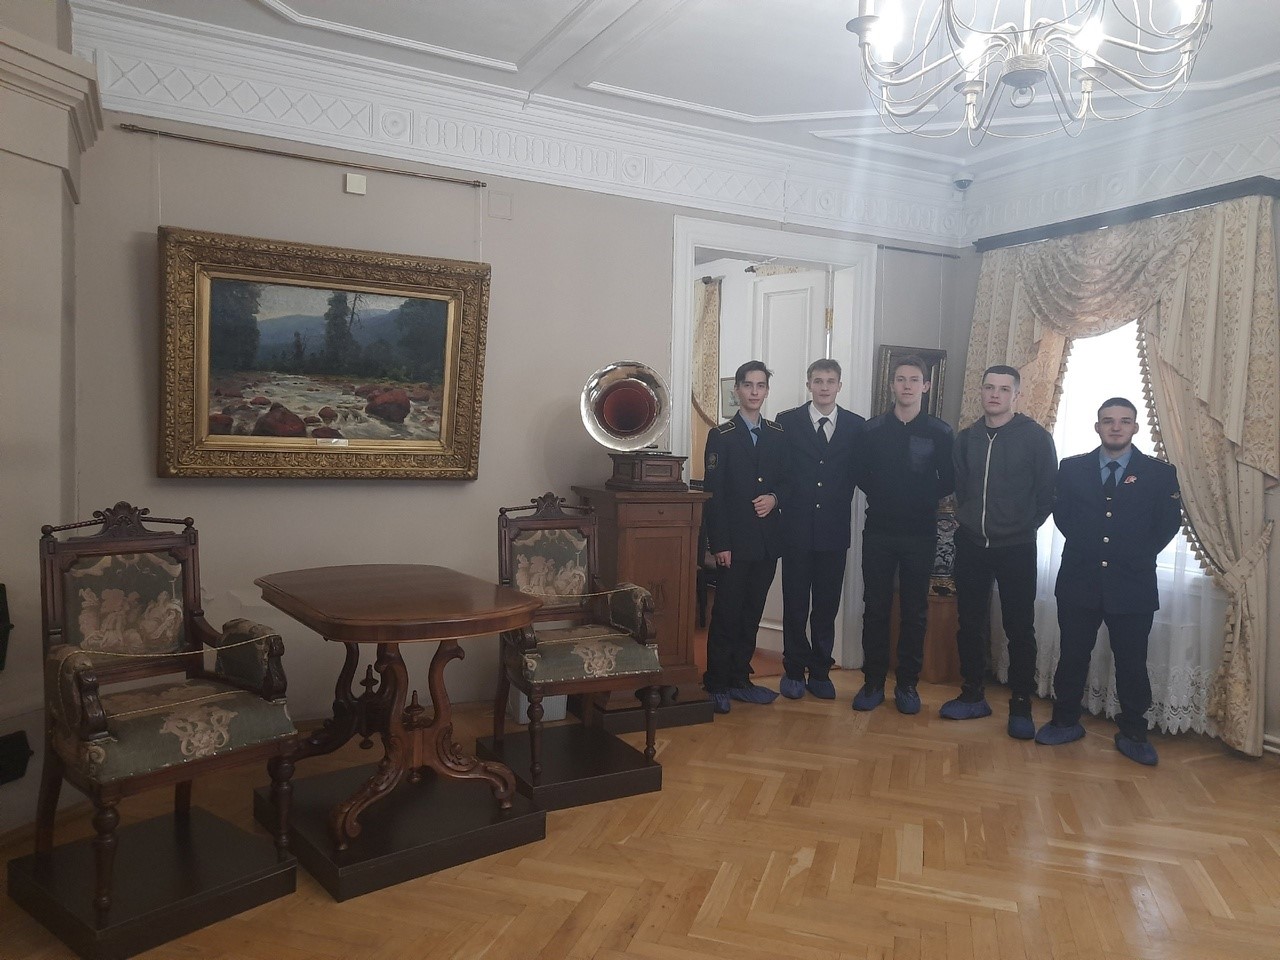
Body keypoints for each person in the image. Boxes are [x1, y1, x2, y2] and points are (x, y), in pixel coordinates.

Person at [1035, 398, 1183, 765]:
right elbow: (1063, 515)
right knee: (1072, 655)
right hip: (1079, 579)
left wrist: (1133, 553)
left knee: (1131, 662)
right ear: (1097, 426)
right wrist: (1092, 547)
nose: (1116, 427)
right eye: (1108, 421)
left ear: (1135, 427)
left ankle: (1133, 731)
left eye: (1124, 421)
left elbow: (1168, 523)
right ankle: (1065, 720)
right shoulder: (1072, 468)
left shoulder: (1159, 473)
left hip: (1133, 582)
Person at [942, 364, 1056, 739]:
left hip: (1017, 547)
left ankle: (1021, 704)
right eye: (989, 387)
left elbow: (1047, 494)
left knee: (1019, 627)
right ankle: (973, 693)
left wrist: (1022, 525)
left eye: (1004, 389)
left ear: (1016, 395)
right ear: (981, 391)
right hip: (972, 544)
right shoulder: (966, 438)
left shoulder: (1035, 438)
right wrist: (970, 520)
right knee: (970, 623)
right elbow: (960, 487)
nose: (995, 394)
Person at [851, 355, 954, 714]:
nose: (907, 386)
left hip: (920, 533)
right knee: (875, 608)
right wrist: (886, 494)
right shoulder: (872, 430)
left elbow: (949, 479)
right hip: (879, 531)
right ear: (892, 384)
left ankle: (907, 685)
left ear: (925, 386)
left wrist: (919, 497)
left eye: (913, 380)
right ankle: (873, 682)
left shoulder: (940, 432)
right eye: (900, 379)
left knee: (915, 612)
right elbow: (860, 473)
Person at [775, 359, 864, 700]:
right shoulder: (787, 422)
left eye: (830, 381)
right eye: (818, 381)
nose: (824, 387)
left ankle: (821, 671)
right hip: (795, 530)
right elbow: (781, 472)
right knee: (795, 604)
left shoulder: (856, 426)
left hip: (833, 531)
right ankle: (794, 670)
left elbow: (860, 473)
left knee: (826, 606)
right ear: (808, 384)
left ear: (839, 385)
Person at [702, 360, 785, 714]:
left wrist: (775, 498)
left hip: (766, 543)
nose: (754, 391)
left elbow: (787, 481)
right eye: (748, 385)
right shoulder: (721, 436)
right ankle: (717, 683)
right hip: (734, 544)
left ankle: (740, 679)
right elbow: (714, 495)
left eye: (760, 385)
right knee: (727, 614)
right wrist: (720, 544)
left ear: (766, 390)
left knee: (752, 613)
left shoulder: (777, 434)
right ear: (737, 390)